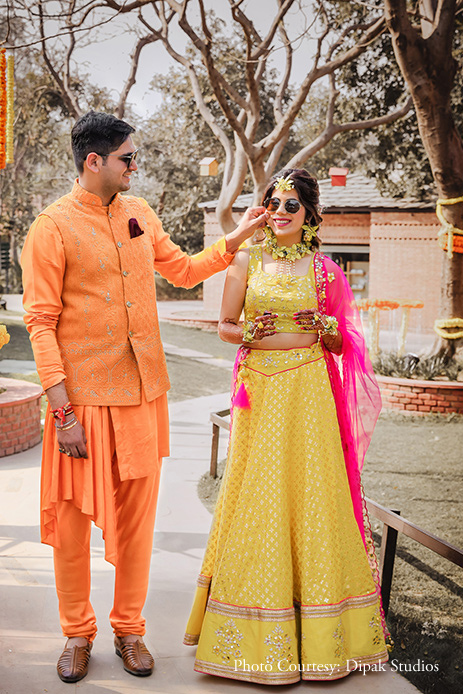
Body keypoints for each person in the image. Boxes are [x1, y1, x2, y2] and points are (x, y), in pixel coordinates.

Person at [20, 111, 269, 684]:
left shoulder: (140, 213)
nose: (135, 166)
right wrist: (62, 412)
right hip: (81, 403)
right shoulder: (51, 227)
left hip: (142, 394)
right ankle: (76, 633)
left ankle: (129, 629)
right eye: (127, 158)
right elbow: (40, 322)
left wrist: (236, 238)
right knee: (72, 524)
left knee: (137, 523)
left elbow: (182, 270)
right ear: (94, 161)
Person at [184, 168, 391, 684]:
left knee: (312, 494)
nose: (279, 211)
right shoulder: (245, 261)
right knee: (259, 495)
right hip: (261, 393)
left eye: (291, 204)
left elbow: (344, 344)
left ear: (309, 213)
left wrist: (325, 327)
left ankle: (322, 631)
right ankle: (253, 626)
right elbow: (224, 327)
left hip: (309, 393)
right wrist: (246, 331)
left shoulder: (324, 270)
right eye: (273, 202)